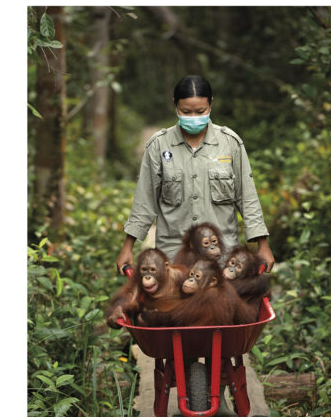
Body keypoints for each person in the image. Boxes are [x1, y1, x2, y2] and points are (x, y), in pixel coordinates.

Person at [116, 75, 275, 274]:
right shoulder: (159, 145)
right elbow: (144, 201)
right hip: (173, 258)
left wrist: (262, 245)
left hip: (222, 257)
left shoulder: (230, 143)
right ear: (175, 105)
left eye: (200, 111)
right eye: (186, 111)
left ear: (211, 104)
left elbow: (247, 197)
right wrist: (127, 247)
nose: (193, 117)